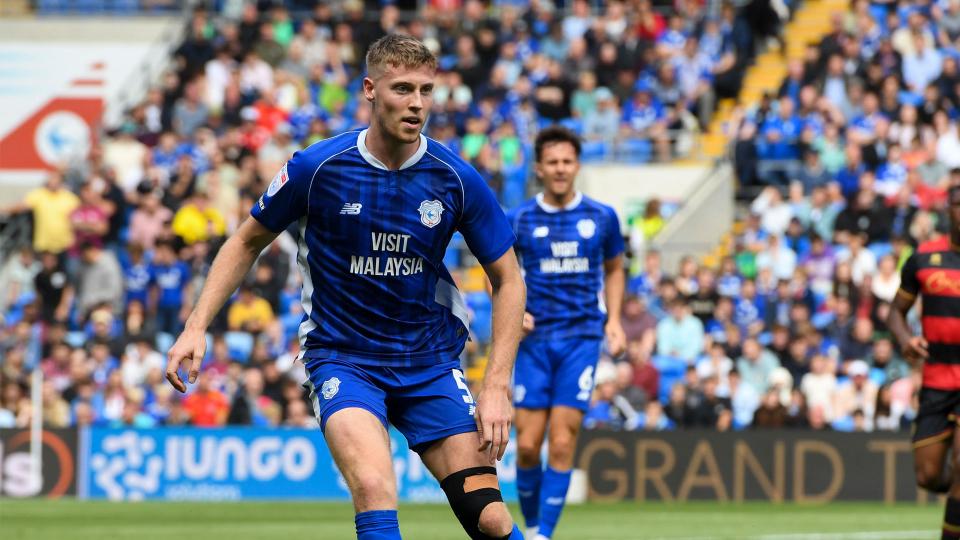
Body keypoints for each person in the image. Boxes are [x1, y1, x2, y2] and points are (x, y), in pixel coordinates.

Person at [165, 35, 526, 540]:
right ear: (370, 89)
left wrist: (496, 386)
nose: (417, 103)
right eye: (403, 89)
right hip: (344, 358)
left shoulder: (455, 177)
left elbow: (508, 278)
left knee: (490, 519)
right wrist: (195, 326)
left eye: (426, 89)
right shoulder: (317, 168)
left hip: (429, 362)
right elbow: (245, 242)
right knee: (376, 487)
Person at [506, 126, 625, 540]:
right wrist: (512, 311)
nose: (560, 169)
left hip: (581, 338)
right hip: (534, 344)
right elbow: (497, 270)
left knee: (561, 442)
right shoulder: (519, 218)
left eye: (567, 162)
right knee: (525, 446)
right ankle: (535, 525)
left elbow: (614, 268)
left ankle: (541, 536)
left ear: (577, 166)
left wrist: (613, 319)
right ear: (539, 168)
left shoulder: (602, 216)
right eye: (552, 162)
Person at [889, 185, 960, 539]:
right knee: (928, 476)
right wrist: (905, 340)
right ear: (950, 209)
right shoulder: (923, 258)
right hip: (936, 378)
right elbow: (895, 312)